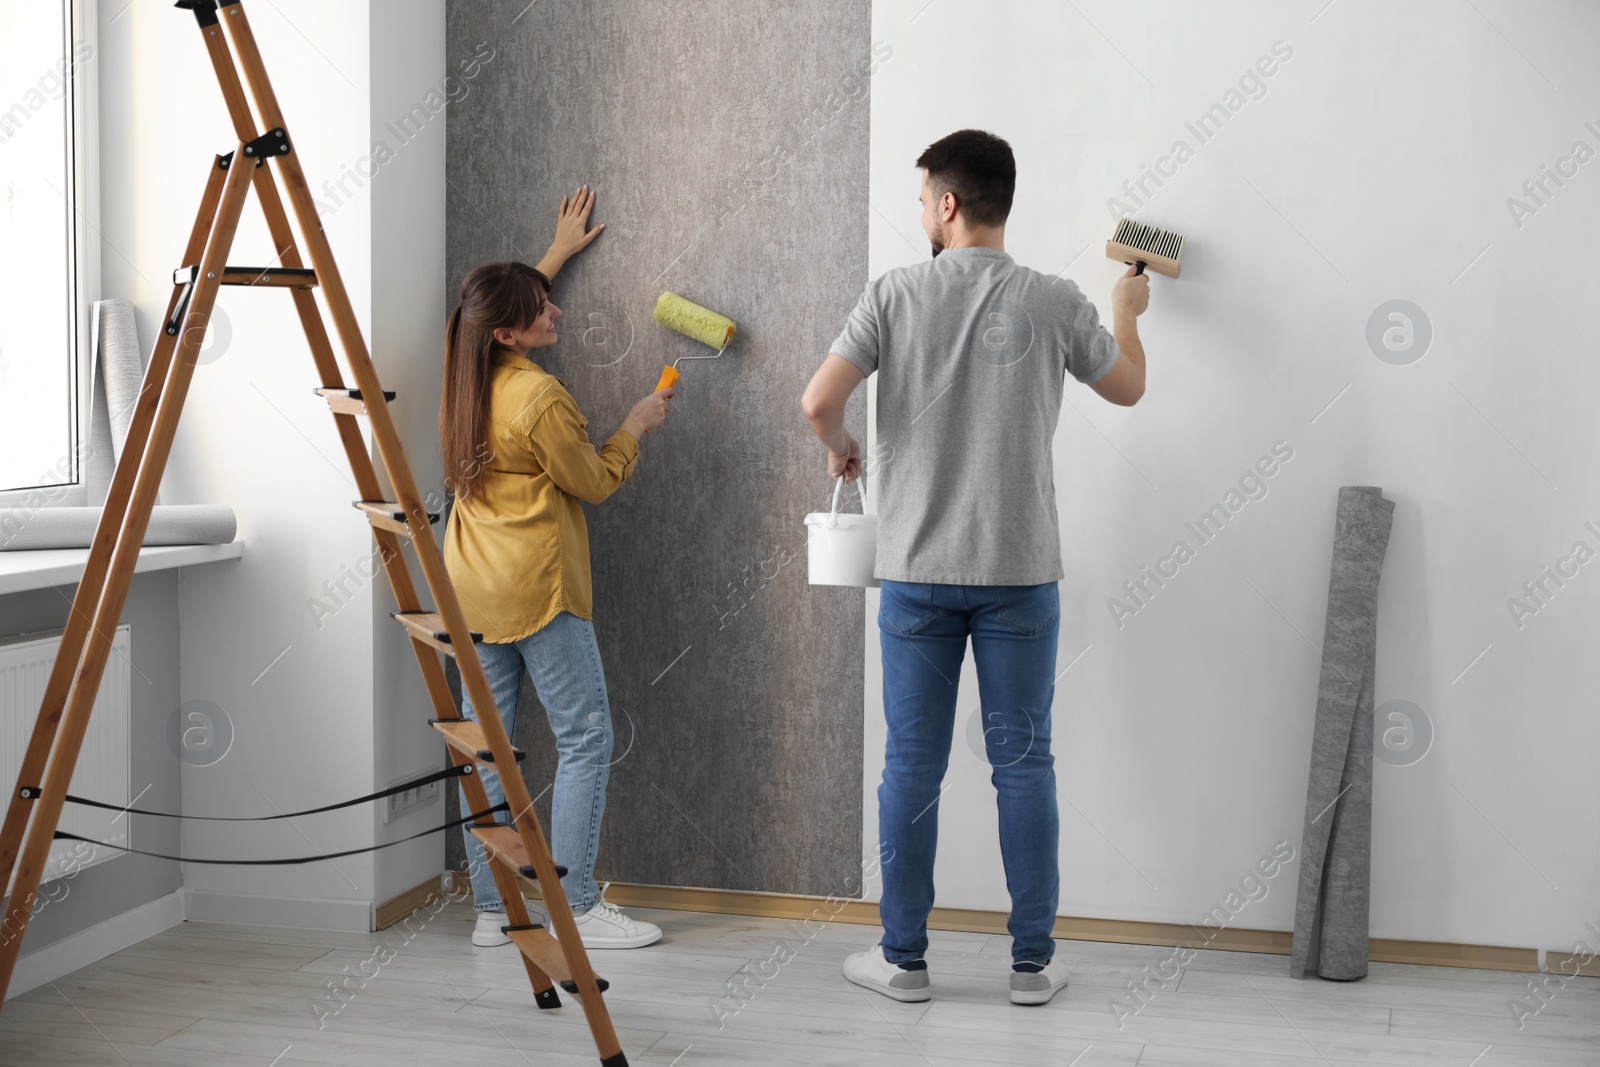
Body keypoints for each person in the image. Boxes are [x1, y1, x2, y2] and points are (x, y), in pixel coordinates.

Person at [801, 130, 1151, 1004]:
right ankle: (1032, 966)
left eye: (923, 198)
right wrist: (1128, 313)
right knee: (1024, 763)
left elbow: (816, 401)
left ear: (948, 205)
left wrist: (844, 446)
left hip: (917, 571)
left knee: (912, 765)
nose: (921, 211)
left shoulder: (893, 295)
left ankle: (904, 961)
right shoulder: (1053, 301)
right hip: (1020, 572)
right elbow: (1130, 388)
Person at [439, 186, 672, 950]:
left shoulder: (466, 371)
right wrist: (634, 425)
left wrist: (552, 259)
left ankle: (493, 910)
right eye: (543, 310)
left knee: (489, 749)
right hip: (538, 590)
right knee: (585, 739)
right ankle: (574, 904)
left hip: (471, 584)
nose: (558, 314)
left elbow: (494, 312)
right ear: (511, 332)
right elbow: (595, 481)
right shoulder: (540, 398)